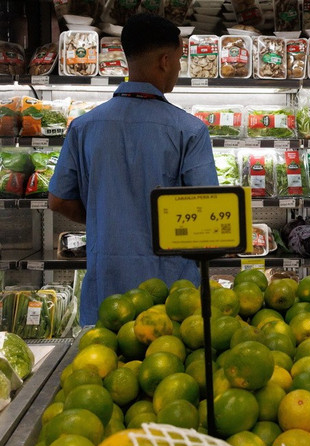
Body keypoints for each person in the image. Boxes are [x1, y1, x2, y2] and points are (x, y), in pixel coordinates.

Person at [49, 14, 218, 325]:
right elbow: (206, 211)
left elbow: (58, 201)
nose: (179, 70)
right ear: (166, 60)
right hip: (172, 300)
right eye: (180, 61)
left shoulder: (84, 127)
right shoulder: (190, 130)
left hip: (107, 296)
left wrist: (107, 214)